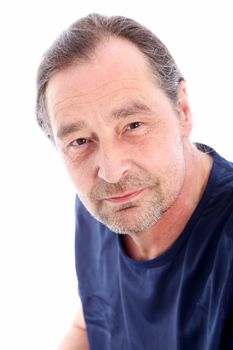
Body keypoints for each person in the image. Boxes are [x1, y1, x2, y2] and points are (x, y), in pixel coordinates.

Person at [36, 13, 233, 350]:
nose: (111, 171)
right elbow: (90, 325)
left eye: (134, 125)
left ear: (182, 110)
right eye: (80, 141)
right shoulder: (103, 206)